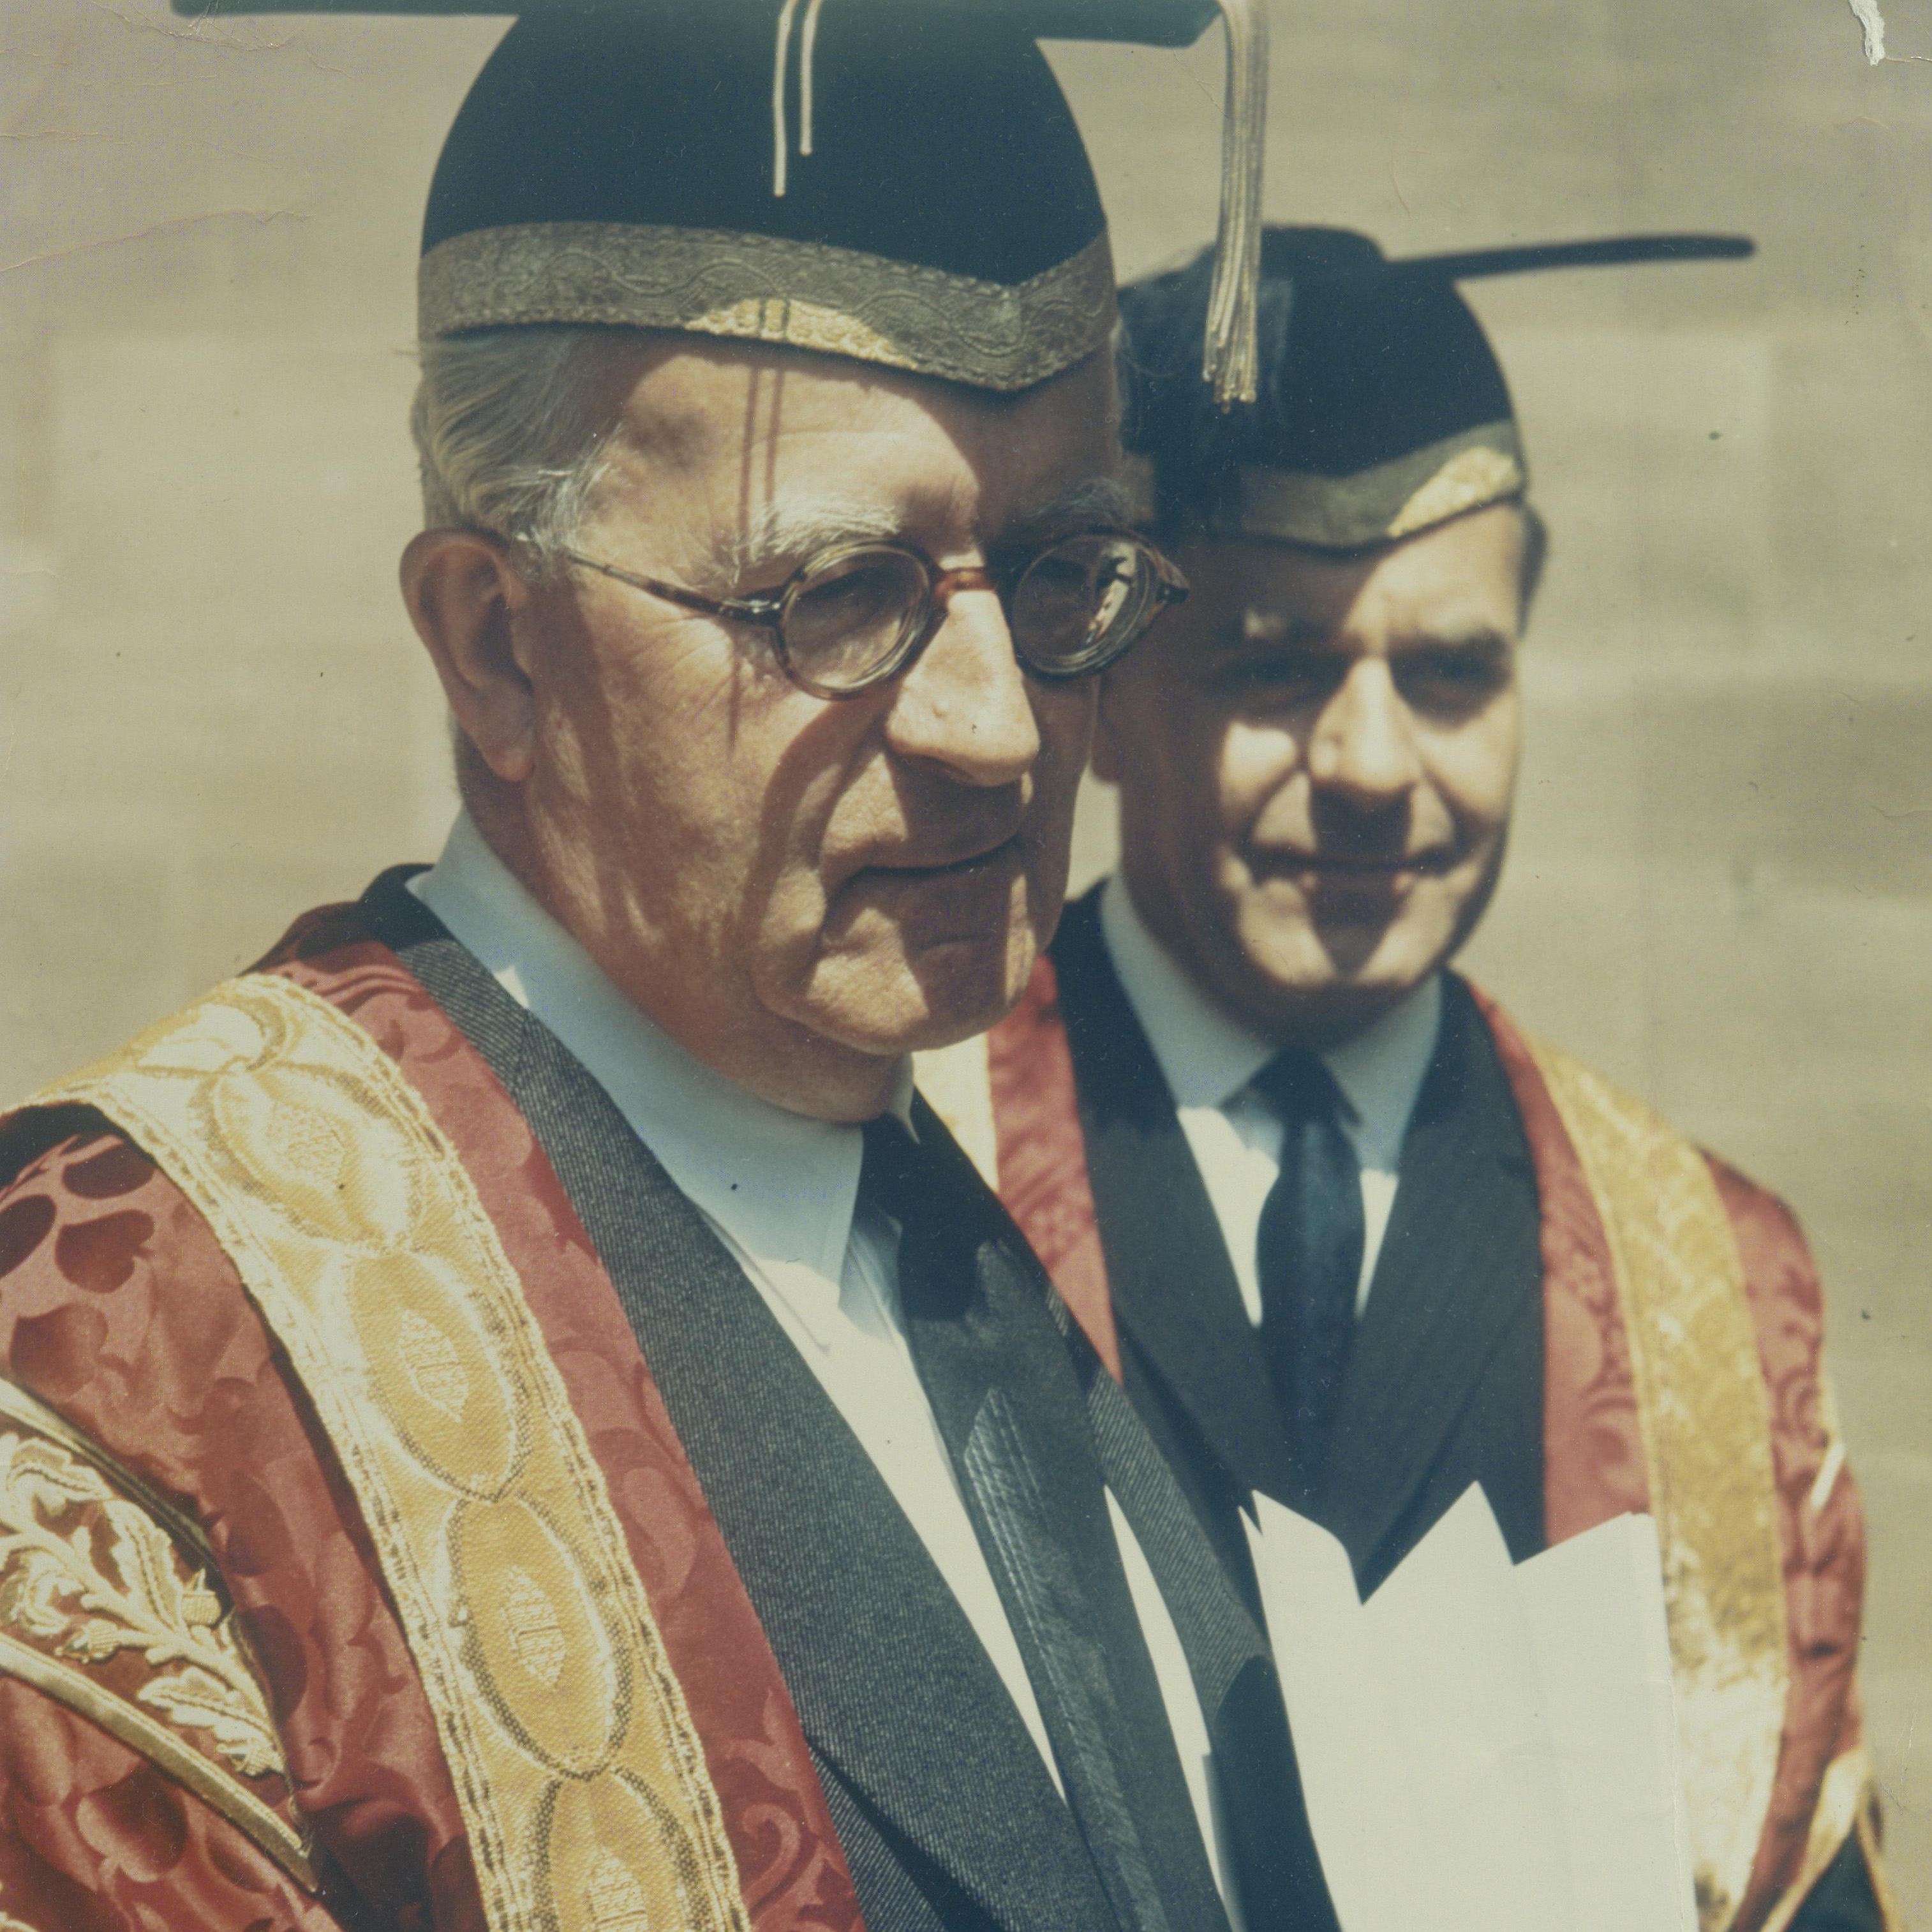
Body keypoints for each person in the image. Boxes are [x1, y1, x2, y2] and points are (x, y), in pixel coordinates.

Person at [0, 5, 1324, 1929]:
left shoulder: (1045, 1213)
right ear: (496, 649)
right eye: (841, 595)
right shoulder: (127, 1345)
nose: (1005, 730)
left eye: (1059, 573)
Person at [918, 227, 1896, 1932]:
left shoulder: (1715, 1287)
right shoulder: (890, 1174)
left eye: (1449, 675)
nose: (1373, 767)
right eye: (1274, 667)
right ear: (1110, 678)